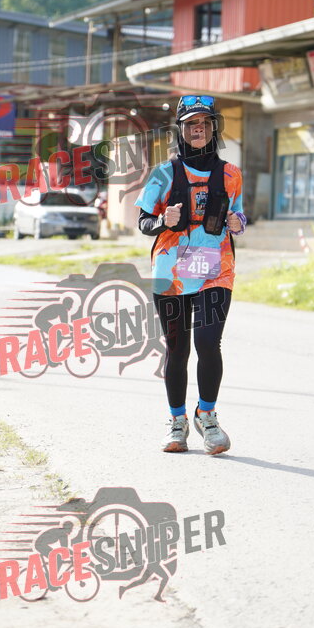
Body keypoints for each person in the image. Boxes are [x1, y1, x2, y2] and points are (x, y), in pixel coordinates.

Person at [134, 95, 246, 455]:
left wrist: (237, 222)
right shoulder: (163, 174)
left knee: (208, 343)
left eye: (205, 123)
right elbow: (143, 221)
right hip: (171, 270)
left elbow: (239, 215)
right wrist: (161, 220)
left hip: (216, 268)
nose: (198, 130)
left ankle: (207, 416)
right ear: (180, 130)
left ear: (214, 128)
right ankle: (177, 421)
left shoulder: (231, 174)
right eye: (191, 124)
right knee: (177, 348)